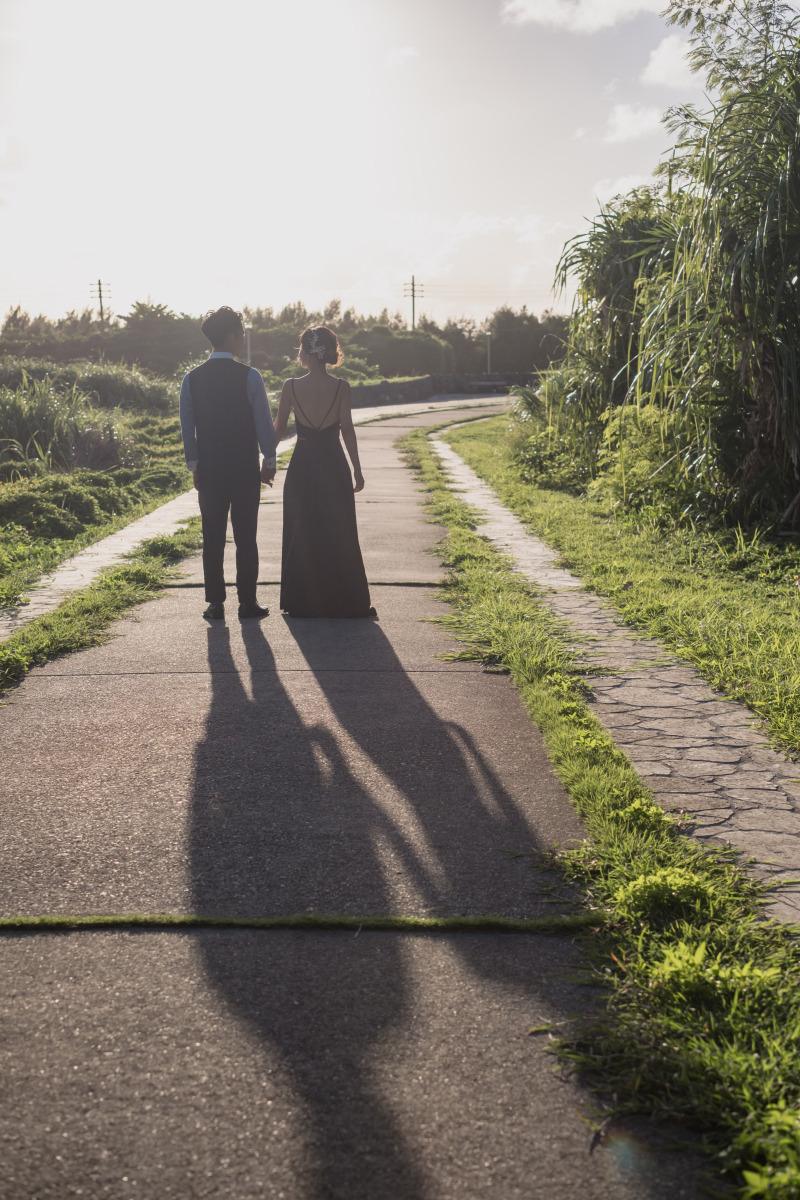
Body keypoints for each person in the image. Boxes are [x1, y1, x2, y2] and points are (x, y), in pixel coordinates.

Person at [179, 306, 276, 620]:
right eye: (242, 334)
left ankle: (215, 603)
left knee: (213, 536)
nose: (243, 339)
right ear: (233, 336)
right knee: (246, 537)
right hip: (245, 468)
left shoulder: (191, 380)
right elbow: (263, 422)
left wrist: (194, 466)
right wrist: (269, 460)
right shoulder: (250, 376)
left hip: (209, 470)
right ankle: (247, 602)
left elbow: (188, 427)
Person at [273, 325, 375, 618]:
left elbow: (278, 428)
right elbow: (347, 431)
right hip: (333, 463)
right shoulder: (342, 387)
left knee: (302, 529)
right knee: (338, 529)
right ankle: (343, 600)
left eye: (300, 348)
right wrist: (357, 470)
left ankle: (302, 601)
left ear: (307, 351)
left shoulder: (290, 386)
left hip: (303, 464)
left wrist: (266, 459)